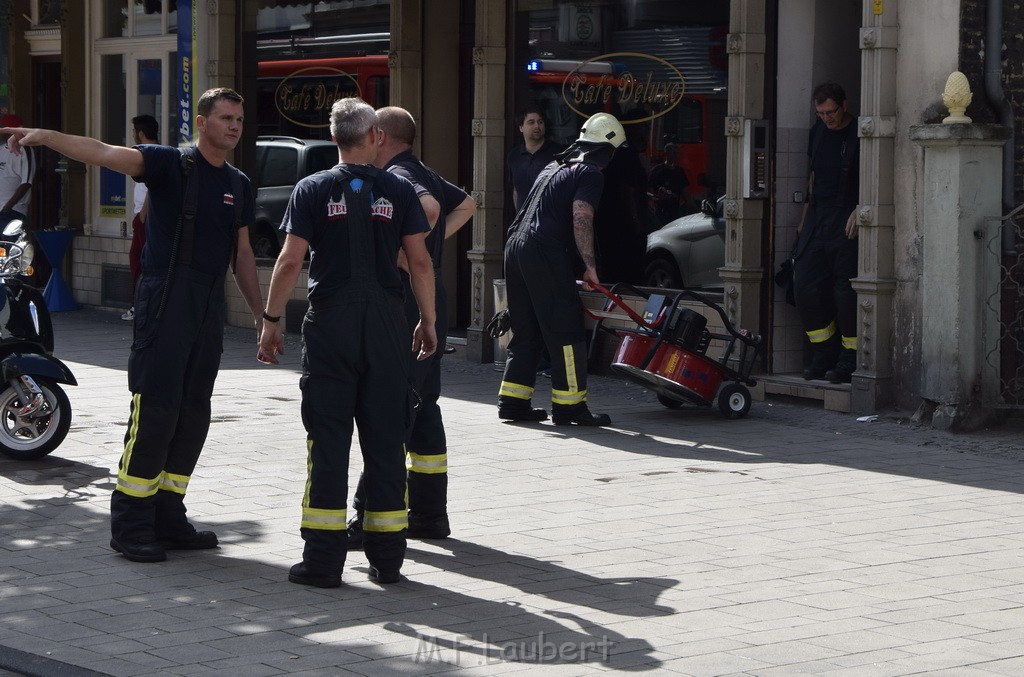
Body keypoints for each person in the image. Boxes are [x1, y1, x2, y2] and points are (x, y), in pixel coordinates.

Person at [2, 87, 266, 563]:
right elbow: (102, 152)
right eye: (226, 117)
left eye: (240, 120)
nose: (234, 126)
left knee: (192, 413)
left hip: (207, 306)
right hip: (164, 299)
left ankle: (169, 516)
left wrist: (263, 317)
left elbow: (243, 255)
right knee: (157, 410)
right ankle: (130, 524)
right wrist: (46, 136)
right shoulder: (169, 164)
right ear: (202, 123)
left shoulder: (239, 184)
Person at [257, 97, 437, 589]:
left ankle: (322, 562)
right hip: (386, 327)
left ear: (334, 137)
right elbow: (419, 263)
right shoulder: (399, 191)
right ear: (375, 137)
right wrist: (428, 322)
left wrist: (272, 320)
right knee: (385, 442)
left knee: (329, 441)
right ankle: (388, 559)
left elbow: (290, 261)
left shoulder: (311, 189)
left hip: (330, 325)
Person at [347, 106, 475, 548]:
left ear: (380, 136)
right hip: (426, 291)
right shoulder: (420, 167)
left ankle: (369, 516)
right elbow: (469, 204)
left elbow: (432, 207)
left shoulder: (399, 175)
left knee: (393, 406)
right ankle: (429, 516)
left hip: (405, 297)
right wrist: (429, 250)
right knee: (423, 403)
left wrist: (406, 253)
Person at [497, 112, 626, 427]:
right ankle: (570, 407)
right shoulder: (590, 172)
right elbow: (581, 217)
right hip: (543, 252)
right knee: (566, 329)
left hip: (515, 248)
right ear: (607, 148)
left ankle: (513, 402)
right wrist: (590, 266)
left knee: (526, 329)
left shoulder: (554, 165)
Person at [793, 81, 860, 384]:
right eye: (821, 114)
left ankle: (849, 357)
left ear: (844, 106)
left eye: (831, 112)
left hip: (845, 215)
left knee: (844, 292)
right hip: (817, 216)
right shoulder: (817, 131)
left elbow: (874, 173)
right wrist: (804, 218)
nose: (827, 119)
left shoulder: (859, 133)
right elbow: (813, 175)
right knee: (804, 284)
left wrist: (862, 209)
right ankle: (824, 351)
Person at [123, 114, 159, 321]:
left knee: (142, 262)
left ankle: (143, 305)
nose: (133, 135)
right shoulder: (145, 154)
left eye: (134, 132)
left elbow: (153, 188)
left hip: (147, 219)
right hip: (142, 217)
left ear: (141, 134)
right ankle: (139, 303)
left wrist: (142, 217)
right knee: (136, 260)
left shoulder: (150, 155)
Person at [506, 105, 564, 211]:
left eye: (540, 122)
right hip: (524, 225)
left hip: (552, 222)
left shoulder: (559, 153)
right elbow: (516, 190)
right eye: (531, 122)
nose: (537, 126)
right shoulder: (514, 156)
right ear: (521, 127)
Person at [0, 114, 35, 227]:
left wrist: (7, 207)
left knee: (11, 243)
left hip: (12, 211)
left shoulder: (24, 150)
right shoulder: (1, 149)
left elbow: (27, 182)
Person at [647, 143, 689, 225]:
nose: (676, 156)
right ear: (666, 153)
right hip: (660, 211)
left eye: (677, 153)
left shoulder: (679, 171)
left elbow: (686, 193)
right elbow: (648, 190)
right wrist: (656, 197)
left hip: (675, 211)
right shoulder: (657, 170)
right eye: (673, 153)